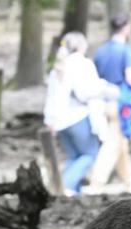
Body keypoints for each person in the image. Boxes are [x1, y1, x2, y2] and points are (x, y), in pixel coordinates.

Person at [44, 32, 115, 195]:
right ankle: (64, 186)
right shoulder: (82, 64)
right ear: (81, 46)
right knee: (89, 155)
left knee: (74, 157)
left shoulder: (58, 68)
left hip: (59, 121)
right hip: (78, 118)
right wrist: (106, 89)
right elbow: (85, 91)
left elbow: (51, 97)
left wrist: (50, 120)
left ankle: (72, 191)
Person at [90, 12, 131, 192]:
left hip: (103, 101)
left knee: (120, 143)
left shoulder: (101, 50)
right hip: (121, 103)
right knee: (113, 143)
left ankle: (130, 182)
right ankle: (96, 182)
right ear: (126, 27)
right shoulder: (126, 50)